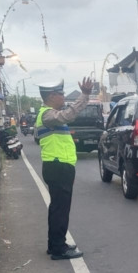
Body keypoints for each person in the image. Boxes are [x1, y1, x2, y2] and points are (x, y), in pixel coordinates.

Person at [35, 77, 93, 260]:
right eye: (61, 94)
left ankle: (55, 244)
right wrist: (84, 95)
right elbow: (69, 115)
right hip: (58, 166)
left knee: (57, 208)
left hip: (58, 165)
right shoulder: (48, 115)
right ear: (52, 96)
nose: (64, 97)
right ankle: (59, 249)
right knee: (60, 209)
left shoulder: (49, 115)